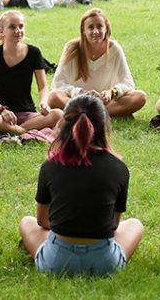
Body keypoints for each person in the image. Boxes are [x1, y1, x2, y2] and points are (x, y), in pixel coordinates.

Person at [18, 95, 144, 276]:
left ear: (64, 124)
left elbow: (42, 221)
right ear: (103, 126)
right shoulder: (118, 167)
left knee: (26, 222)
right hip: (104, 263)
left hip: (56, 261)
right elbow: (114, 225)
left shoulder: (50, 165)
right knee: (134, 225)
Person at [0, 11, 63, 142]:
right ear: (2, 31)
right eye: (12, 27)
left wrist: (43, 103)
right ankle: (23, 132)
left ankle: (13, 131)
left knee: (58, 114)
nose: (18, 31)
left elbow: (43, 87)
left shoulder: (34, 52)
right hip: (0, 114)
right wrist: (1, 110)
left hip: (27, 114)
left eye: (21, 26)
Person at [49, 9, 147, 117]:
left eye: (99, 26)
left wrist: (112, 92)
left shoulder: (114, 49)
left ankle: (91, 113)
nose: (95, 31)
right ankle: (92, 112)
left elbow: (128, 83)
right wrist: (80, 93)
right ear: (83, 30)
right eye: (90, 27)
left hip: (106, 102)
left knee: (140, 97)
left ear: (106, 29)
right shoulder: (72, 49)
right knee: (53, 97)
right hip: (79, 101)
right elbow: (58, 84)